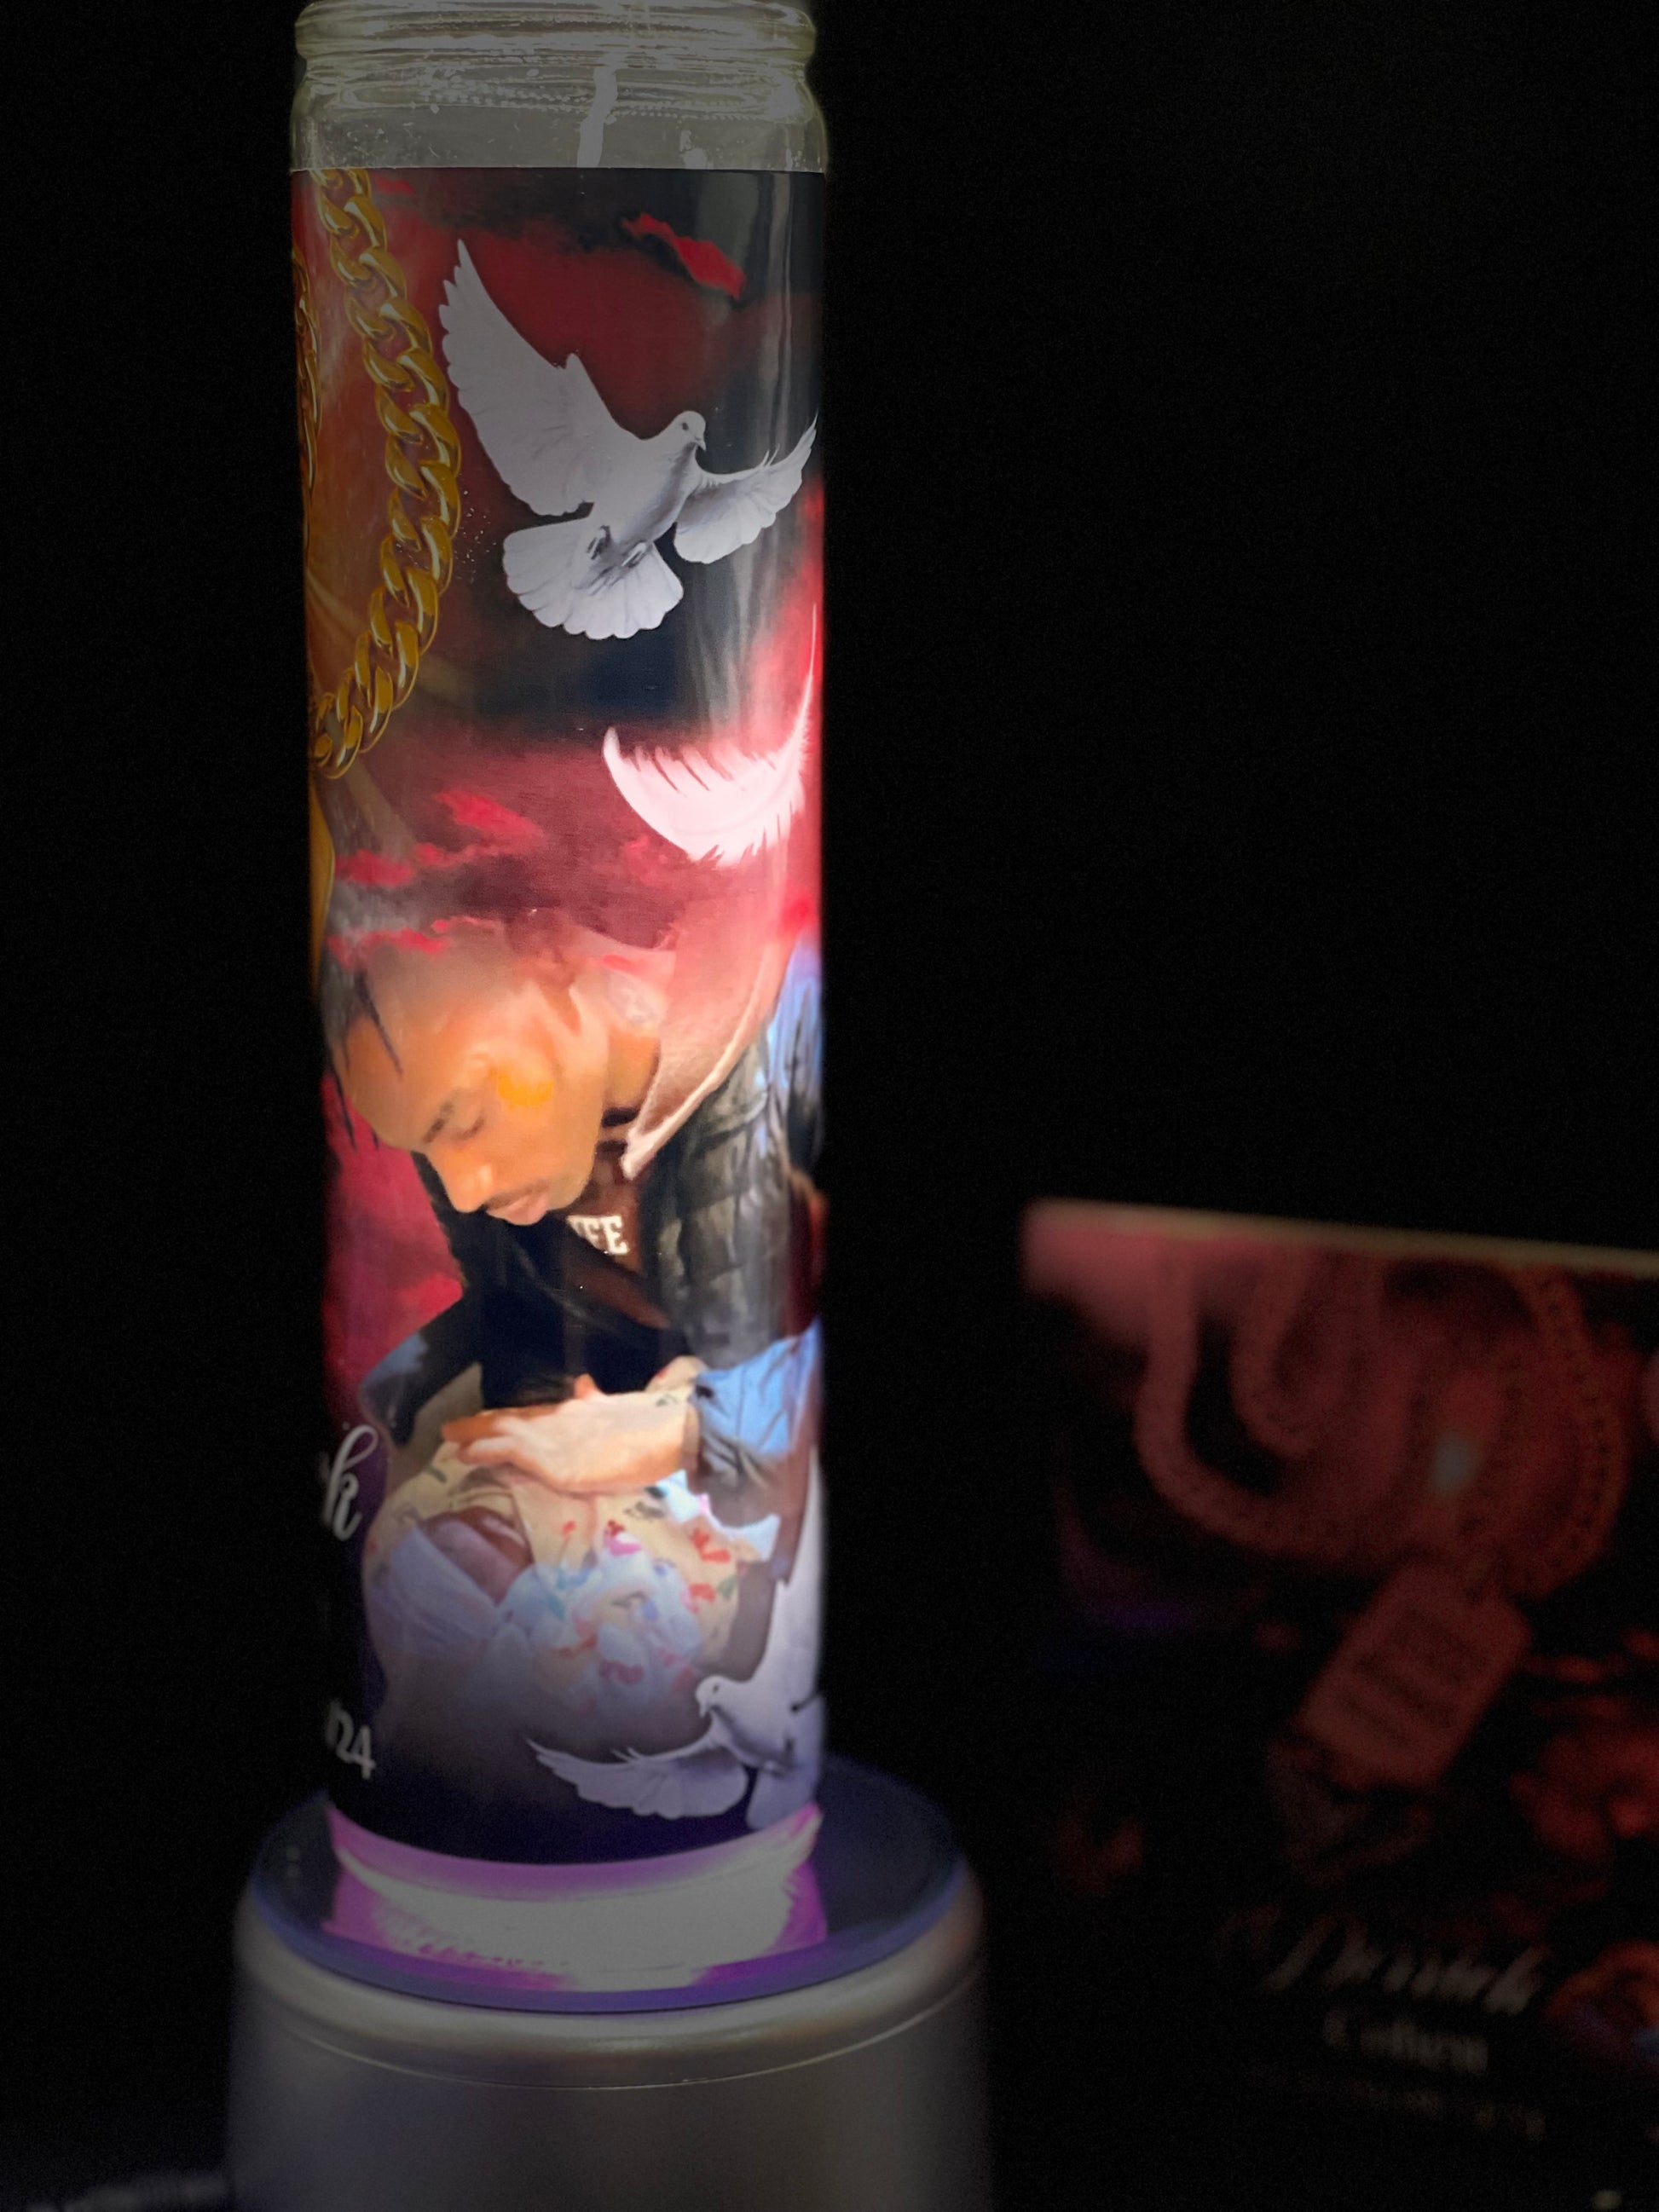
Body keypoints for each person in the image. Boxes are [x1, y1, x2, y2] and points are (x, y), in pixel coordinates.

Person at [318, 797, 823, 1845]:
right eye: (424, 1146)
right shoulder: (504, 1174)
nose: (459, 1185)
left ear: (553, 959)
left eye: (461, 1120)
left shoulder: (770, 1052)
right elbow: (514, 1323)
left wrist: (681, 1432)